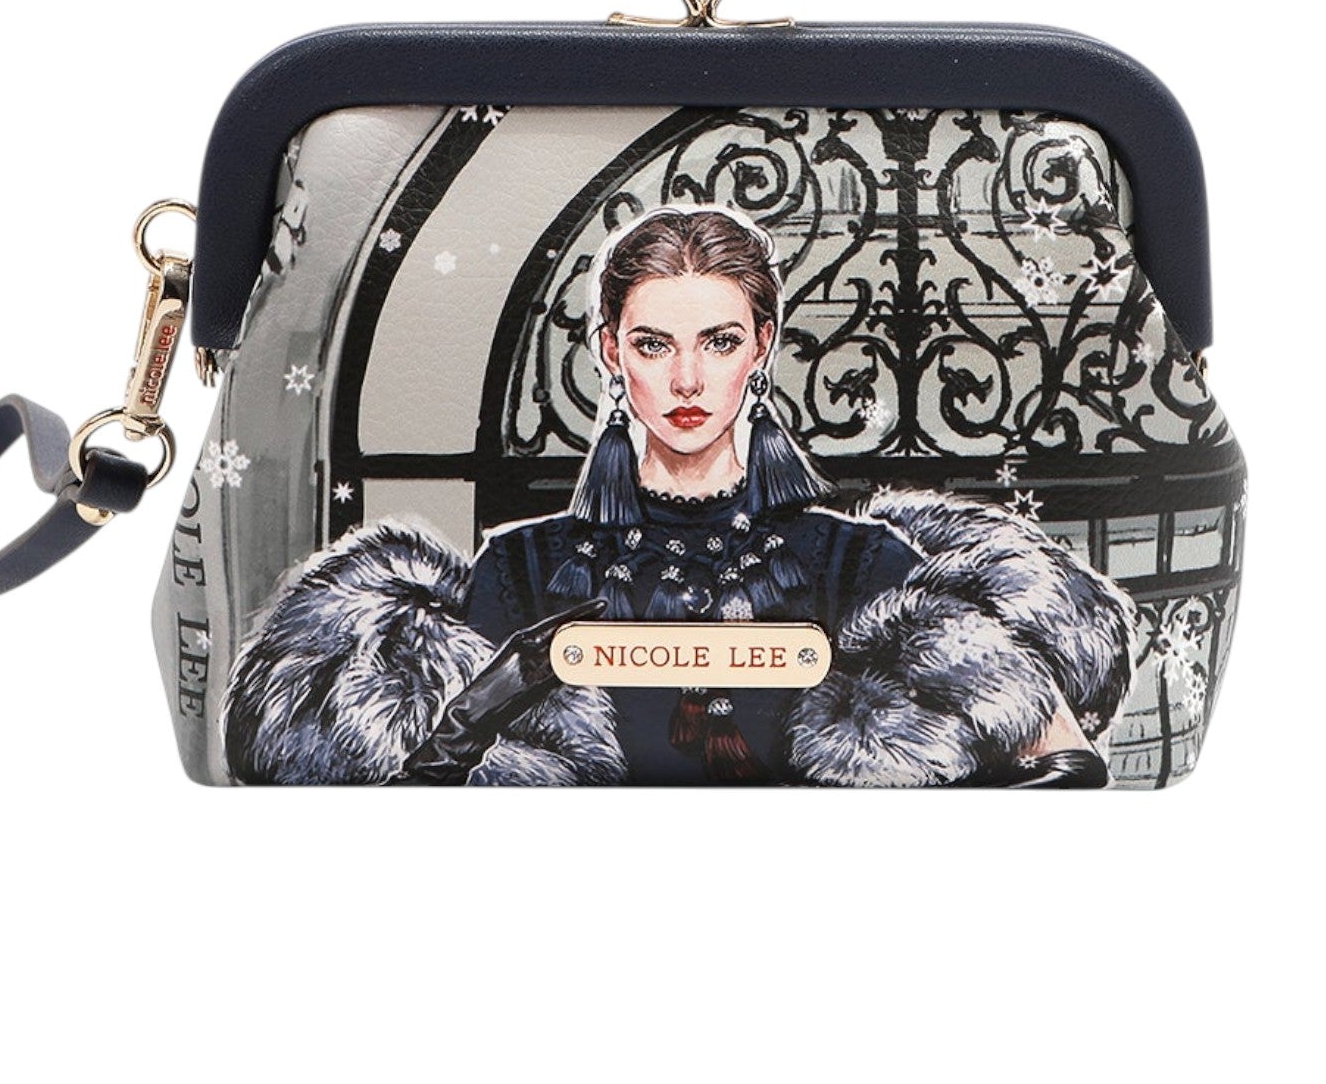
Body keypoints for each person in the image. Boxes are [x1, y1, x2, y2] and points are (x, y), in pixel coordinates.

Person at [222, 206, 1133, 787]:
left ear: (761, 346)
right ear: (611, 351)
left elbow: (1064, 773)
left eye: (720, 341)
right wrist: (468, 720)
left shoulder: (861, 562)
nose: (688, 379)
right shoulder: (522, 565)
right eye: (654, 345)